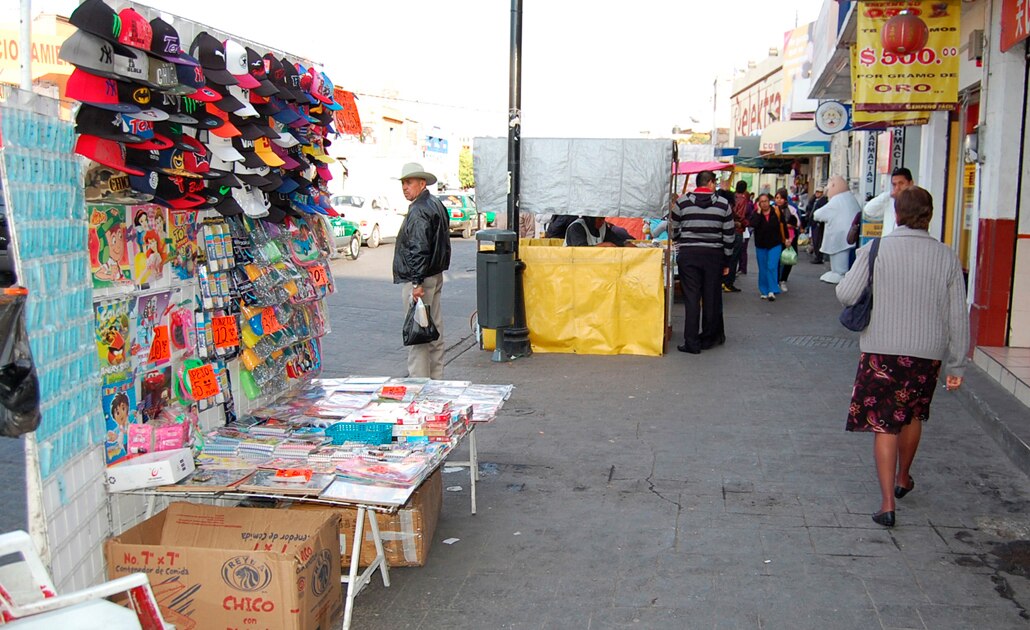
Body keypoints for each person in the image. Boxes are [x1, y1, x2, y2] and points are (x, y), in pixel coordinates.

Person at [837, 186, 969, 528]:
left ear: (897, 213)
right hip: (927, 354)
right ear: (929, 215)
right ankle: (904, 476)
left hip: (881, 349)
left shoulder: (876, 249)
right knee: (912, 415)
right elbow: (958, 315)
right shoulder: (947, 256)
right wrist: (956, 364)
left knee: (885, 422)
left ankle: (886, 504)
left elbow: (846, 293)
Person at [393, 162, 452, 379]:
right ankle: (436, 381)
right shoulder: (435, 204)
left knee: (418, 334)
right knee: (434, 330)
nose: (404, 187)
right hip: (433, 275)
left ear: (421, 183)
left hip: (421, 278)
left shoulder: (419, 209)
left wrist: (416, 283)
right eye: (403, 183)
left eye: (408, 182)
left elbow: (418, 247)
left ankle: (420, 385)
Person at [669, 170, 734, 354]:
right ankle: (707, 339)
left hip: (689, 255)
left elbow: (673, 228)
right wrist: (727, 260)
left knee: (691, 298)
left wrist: (683, 241)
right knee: (711, 297)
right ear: (711, 183)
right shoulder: (723, 205)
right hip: (714, 256)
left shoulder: (682, 202)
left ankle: (691, 342)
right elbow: (728, 235)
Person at [812, 175, 860, 284]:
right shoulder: (849, 198)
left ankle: (839, 273)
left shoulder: (837, 200)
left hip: (840, 236)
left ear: (833, 185)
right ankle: (836, 272)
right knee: (838, 255)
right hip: (846, 234)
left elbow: (818, 214)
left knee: (839, 255)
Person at [748, 192, 790, 301]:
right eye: (761, 202)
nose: (764, 204)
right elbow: (753, 224)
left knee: (772, 266)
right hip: (761, 244)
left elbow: (783, 224)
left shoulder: (776, 211)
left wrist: (786, 238)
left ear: (769, 201)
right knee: (762, 268)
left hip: (775, 244)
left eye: (765, 201)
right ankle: (764, 290)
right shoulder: (756, 214)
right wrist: (758, 212)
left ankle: (772, 290)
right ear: (758, 203)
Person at [863, 167, 914, 238]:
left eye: (901, 183)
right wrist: (888, 194)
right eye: (894, 184)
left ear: (910, 183)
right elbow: (868, 210)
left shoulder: (917, 202)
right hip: (888, 244)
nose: (897, 188)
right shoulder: (889, 200)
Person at [723, 181, 752, 293]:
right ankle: (729, 283)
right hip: (737, 230)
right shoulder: (743, 199)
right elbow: (740, 215)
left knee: (726, 255)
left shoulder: (730, 197)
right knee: (734, 257)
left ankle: (724, 281)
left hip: (726, 229)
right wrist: (745, 223)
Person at [774, 188, 801, 292]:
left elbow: (797, 223)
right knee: (776, 260)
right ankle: (775, 281)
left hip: (790, 238)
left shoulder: (791, 209)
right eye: (777, 198)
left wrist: (788, 225)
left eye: (781, 198)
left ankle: (783, 280)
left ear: (785, 199)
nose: (779, 200)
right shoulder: (773, 209)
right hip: (777, 238)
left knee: (788, 260)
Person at [806, 185, 828, 263]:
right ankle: (817, 256)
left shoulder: (823, 201)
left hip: (818, 224)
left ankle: (819, 257)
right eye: (816, 192)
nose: (817, 193)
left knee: (818, 240)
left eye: (819, 192)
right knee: (815, 240)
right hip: (813, 223)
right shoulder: (815, 200)